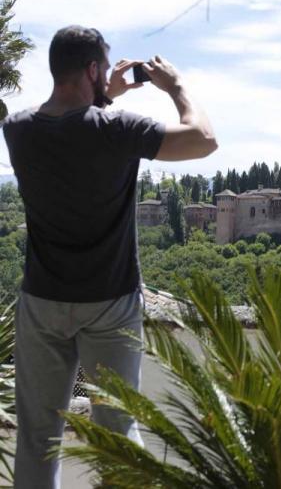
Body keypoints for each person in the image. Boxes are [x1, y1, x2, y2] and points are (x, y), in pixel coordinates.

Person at [3, 26, 217, 488]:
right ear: (94, 69)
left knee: (38, 437)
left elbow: (70, 130)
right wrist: (175, 86)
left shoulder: (16, 130)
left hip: (42, 302)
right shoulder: (119, 130)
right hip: (109, 304)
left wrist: (102, 96)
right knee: (117, 433)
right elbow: (202, 139)